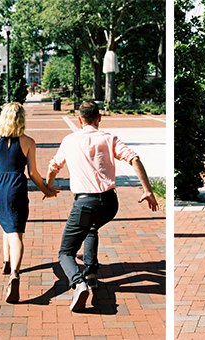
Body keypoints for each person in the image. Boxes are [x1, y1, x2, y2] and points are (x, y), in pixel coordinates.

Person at [45, 101, 159, 311]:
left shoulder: (69, 140)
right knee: (91, 228)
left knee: (65, 252)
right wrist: (148, 190)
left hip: (85, 204)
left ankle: (78, 283)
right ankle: (91, 274)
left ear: (79, 120)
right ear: (99, 118)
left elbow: (53, 167)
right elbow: (134, 158)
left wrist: (49, 188)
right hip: (109, 203)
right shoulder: (109, 138)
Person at [0, 102, 59, 303]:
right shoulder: (28, 141)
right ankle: (15, 273)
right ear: (21, 120)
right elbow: (32, 173)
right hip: (15, 187)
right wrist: (47, 191)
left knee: (6, 224)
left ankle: (7, 262)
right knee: (16, 233)